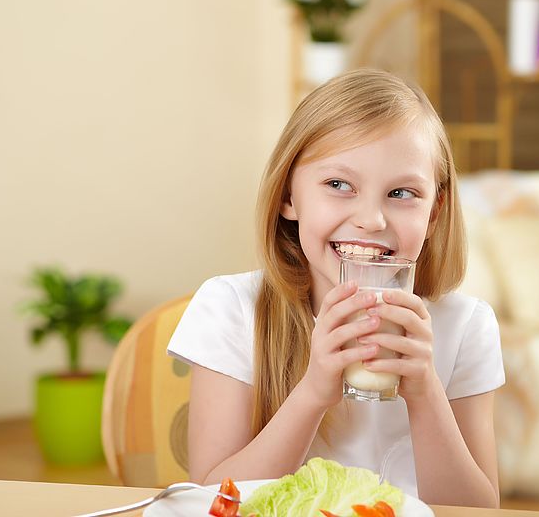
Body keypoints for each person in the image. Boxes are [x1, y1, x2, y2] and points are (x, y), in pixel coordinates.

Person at [167, 69, 504, 508]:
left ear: (435, 213)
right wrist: (313, 393)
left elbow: (479, 511)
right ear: (289, 195)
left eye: (402, 193)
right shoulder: (231, 310)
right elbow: (215, 500)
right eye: (339, 185)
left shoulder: (466, 327)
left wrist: (424, 392)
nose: (371, 219)